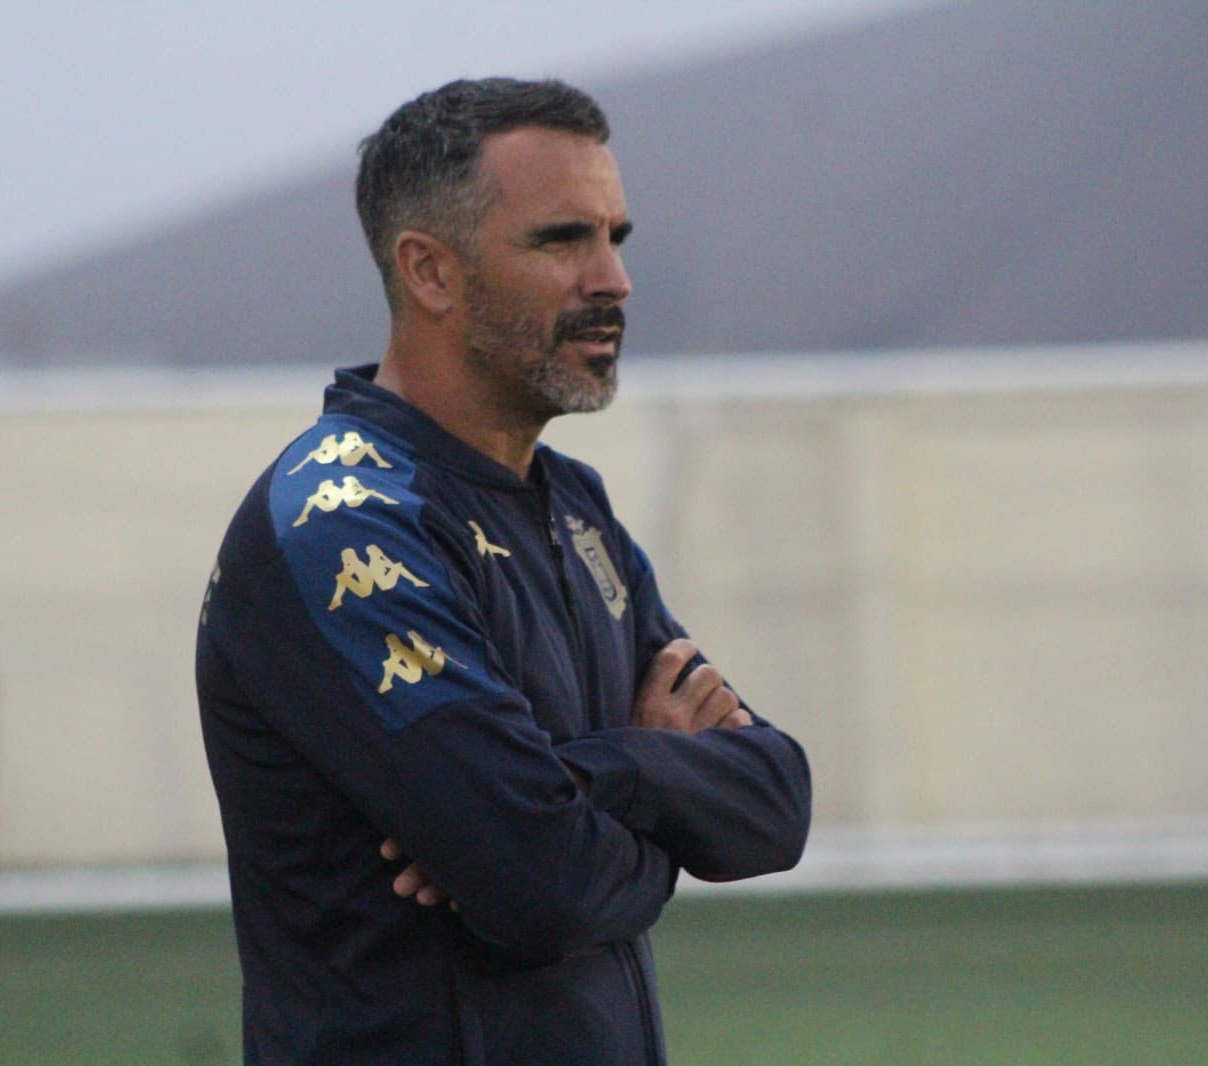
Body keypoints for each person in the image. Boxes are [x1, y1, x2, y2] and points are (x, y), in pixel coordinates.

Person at [196, 77, 811, 1064]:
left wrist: (597, 771)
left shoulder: (573, 506)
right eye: (562, 240)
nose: (613, 279)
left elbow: (776, 805)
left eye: (615, 237)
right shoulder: (341, 526)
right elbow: (545, 886)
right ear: (429, 271)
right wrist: (648, 800)